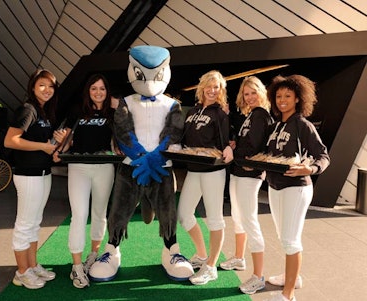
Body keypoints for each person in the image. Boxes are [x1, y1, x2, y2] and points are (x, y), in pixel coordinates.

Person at [89, 45, 194, 282]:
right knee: (119, 211)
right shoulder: (125, 102)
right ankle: (111, 250)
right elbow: (122, 131)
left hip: (162, 169)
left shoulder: (172, 104)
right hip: (130, 167)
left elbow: (173, 133)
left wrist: (155, 158)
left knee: (167, 211)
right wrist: (141, 158)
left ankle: (172, 250)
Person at [264, 75, 330, 301]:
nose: (282, 100)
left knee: (291, 240)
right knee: (284, 236)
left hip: (296, 188)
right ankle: (293, 276)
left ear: (298, 98)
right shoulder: (276, 125)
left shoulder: (302, 125)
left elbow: (323, 156)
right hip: (275, 187)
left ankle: (288, 295)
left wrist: (310, 169)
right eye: (279, 96)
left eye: (287, 96)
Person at [53, 74, 118, 288]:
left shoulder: (113, 112)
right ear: (87, 91)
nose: (98, 92)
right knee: (79, 215)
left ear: (107, 91)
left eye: (102, 88)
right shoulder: (77, 110)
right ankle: (77, 266)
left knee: (100, 213)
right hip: (79, 167)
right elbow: (68, 139)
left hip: (104, 167)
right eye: (93, 89)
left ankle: (93, 254)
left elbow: (121, 136)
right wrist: (61, 145)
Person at [4, 69, 66, 289]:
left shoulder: (44, 112)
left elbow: (44, 146)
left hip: (43, 173)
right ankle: (22, 272)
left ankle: (32, 265)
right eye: (42, 85)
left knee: (34, 223)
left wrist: (54, 143)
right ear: (32, 87)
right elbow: (11, 141)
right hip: (27, 175)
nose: (47, 90)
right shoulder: (27, 109)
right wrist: (43, 145)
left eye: (51, 86)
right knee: (24, 225)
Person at [177, 70, 233, 285]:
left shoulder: (221, 113)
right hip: (193, 169)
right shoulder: (193, 110)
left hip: (212, 172)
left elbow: (226, 139)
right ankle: (201, 255)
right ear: (202, 87)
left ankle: (211, 266)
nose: (212, 90)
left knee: (215, 218)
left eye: (216, 87)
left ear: (221, 90)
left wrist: (229, 146)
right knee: (184, 214)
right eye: (208, 86)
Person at [220, 76, 273, 294]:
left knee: (250, 221)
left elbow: (255, 148)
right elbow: (247, 143)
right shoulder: (251, 115)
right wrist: (235, 144)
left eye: (253, 92)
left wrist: (235, 151)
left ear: (261, 92)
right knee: (237, 217)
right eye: (246, 93)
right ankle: (239, 258)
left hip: (250, 175)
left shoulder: (261, 115)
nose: (249, 97)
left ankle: (258, 276)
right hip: (239, 172)